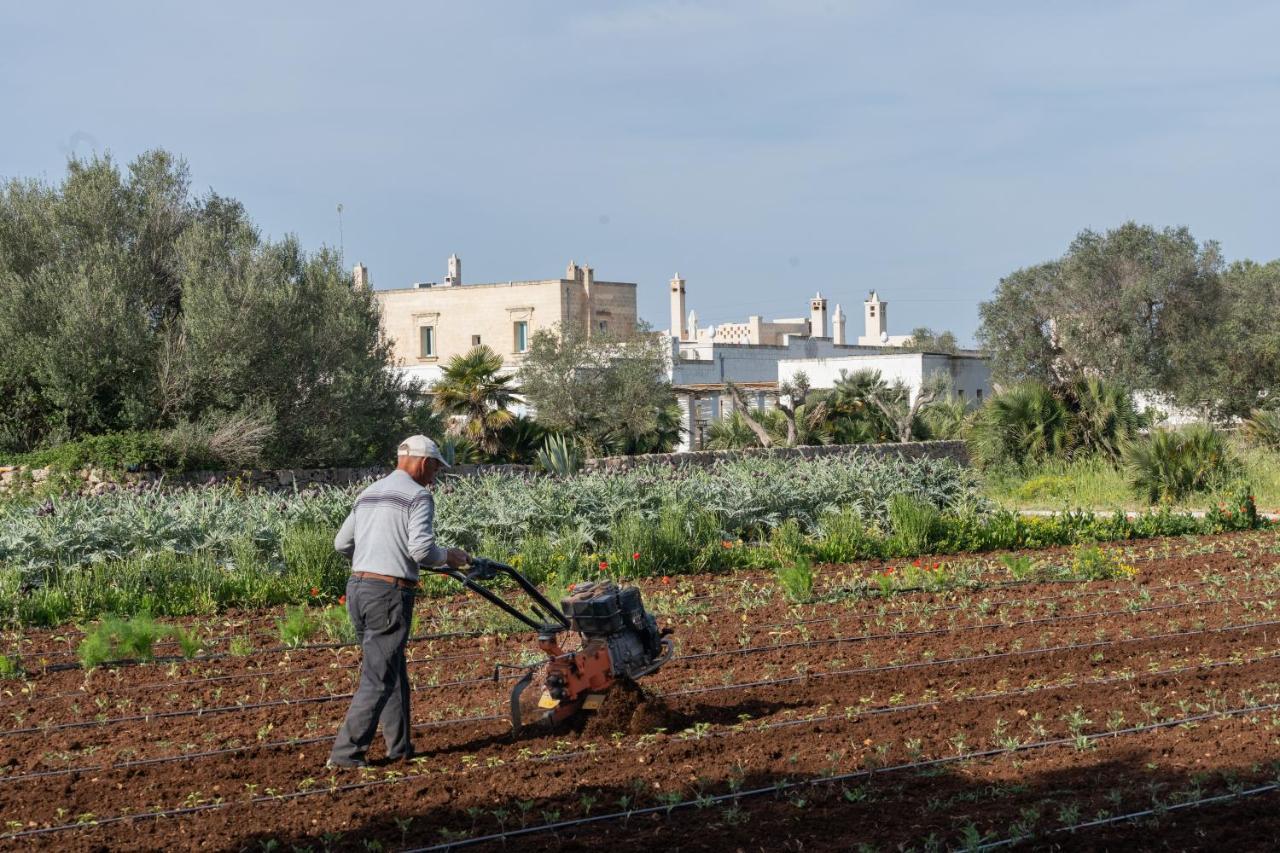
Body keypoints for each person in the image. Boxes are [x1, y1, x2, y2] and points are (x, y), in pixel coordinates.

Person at [327, 434, 470, 768]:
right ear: (422, 462)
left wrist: (374, 557)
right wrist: (449, 556)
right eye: (435, 467)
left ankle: (400, 748)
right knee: (378, 675)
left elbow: (341, 543)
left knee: (390, 668)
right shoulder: (418, 496)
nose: (435, 476)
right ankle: (346, 753)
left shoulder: (368, 493)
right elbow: (421, 550)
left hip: (358, 588)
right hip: (388, 594)